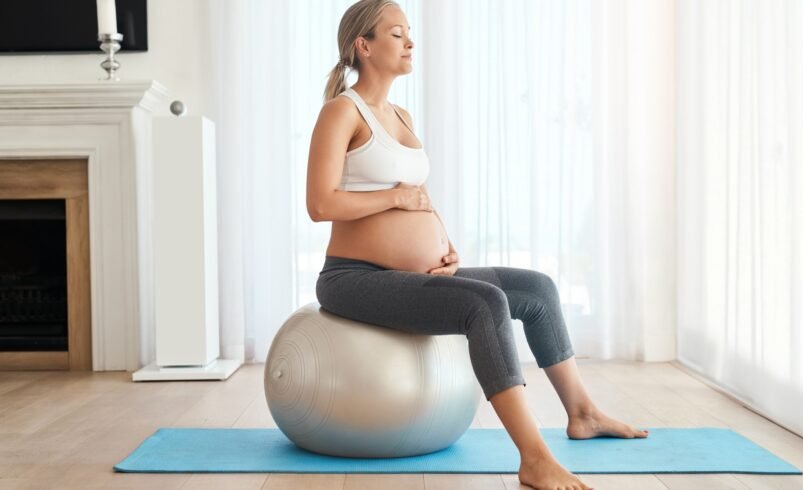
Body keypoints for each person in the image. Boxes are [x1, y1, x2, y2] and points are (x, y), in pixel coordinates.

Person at [306, 1, 648, 488]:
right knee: (485, 303)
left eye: (410, 33)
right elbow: (321, 205)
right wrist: (396, 197)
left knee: (537, 289)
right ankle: (533, 458)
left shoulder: (400, 115)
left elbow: (418, 196)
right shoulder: (342, 111)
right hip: (353, 278)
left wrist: (444, 247)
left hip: (418, 273)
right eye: (397, 33)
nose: (410, 42)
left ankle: (583, 413)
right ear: (364, 45)